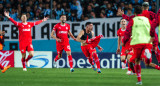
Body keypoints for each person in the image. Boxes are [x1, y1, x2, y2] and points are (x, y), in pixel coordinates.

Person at [123, 5, 155, 85]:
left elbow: (127, 32)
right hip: (147, 42)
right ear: (141, 12)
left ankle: (139, 80)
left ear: (134, 12)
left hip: (137, 42)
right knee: (147, 61)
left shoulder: (133, 20)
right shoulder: (147, 20)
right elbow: (152, 29)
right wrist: (153, 37)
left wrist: (124, 41)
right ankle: (147, 55)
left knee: (137, 61)